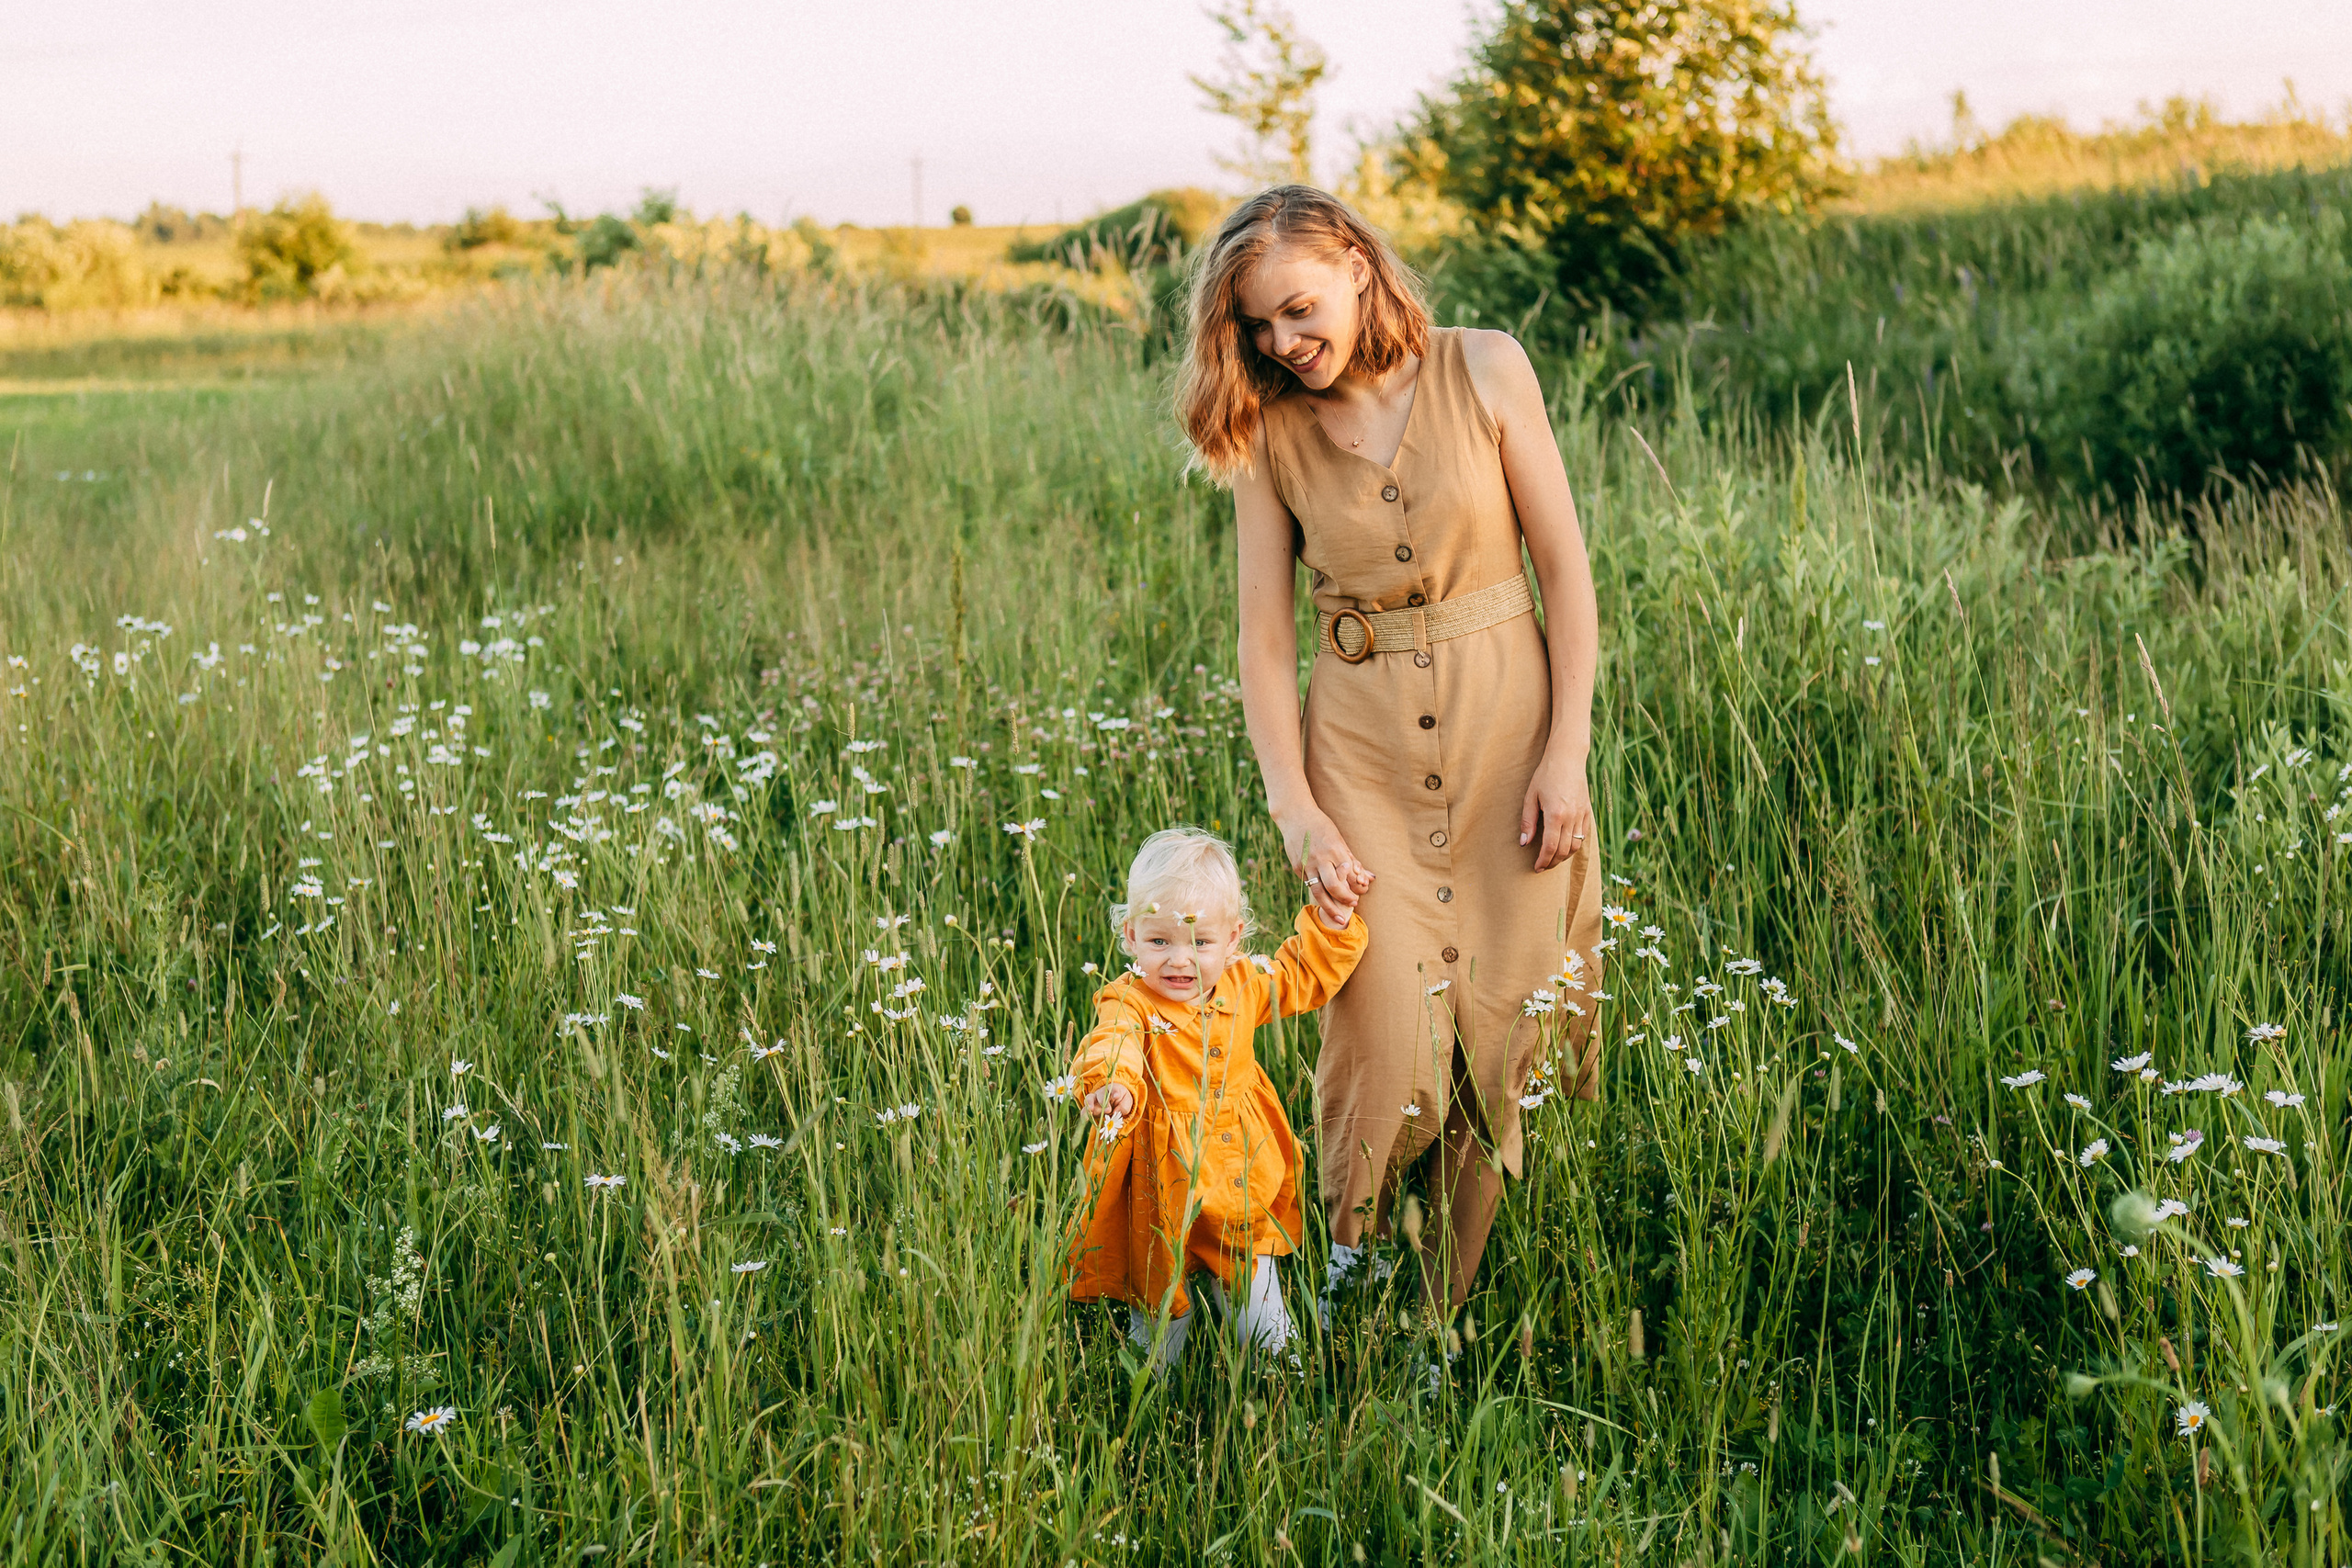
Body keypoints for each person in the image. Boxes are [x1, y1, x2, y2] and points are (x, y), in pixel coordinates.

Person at [1175, 186, 1607, 1324]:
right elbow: (1265, 640)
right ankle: (1354, 1267)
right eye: (1258, 328)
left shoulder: (1489, 369)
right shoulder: (1271, 430)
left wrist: (1567, 754)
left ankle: (1439, 1324)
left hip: (1510, 744)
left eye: (1298, 311)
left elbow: (1565, 571)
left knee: (1498, 1032)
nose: (1282, 345)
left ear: (1359, 265)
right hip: (1356, 755)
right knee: (1378, 1026)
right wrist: (1295, 809)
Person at [1064, 827, 1367, 1371]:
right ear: (1131, 936)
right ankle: (1149, 1399)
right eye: (1160, 942)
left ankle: (1286, 1387)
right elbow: (1113, 1042)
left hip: (1236, 1174)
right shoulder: (1129, 1001)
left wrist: (1333, 925)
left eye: (1200, 942)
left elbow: (1300, 976)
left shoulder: (1242, 983)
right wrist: (1112, 1083)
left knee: (1258, 1306)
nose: (1180, 961)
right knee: (1159, 1311)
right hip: (1162, 1184)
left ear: (1232, 940)